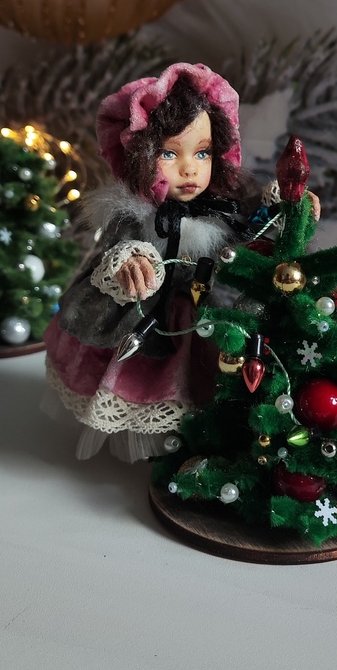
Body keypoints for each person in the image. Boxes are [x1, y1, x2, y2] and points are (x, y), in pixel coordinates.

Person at [44, 63, 319, 464]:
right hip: (148, 318)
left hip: (203, 317)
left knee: (205, 382)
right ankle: (155, 445)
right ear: (140, 156)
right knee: (150, 382)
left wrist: (283, 203)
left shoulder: (220, 206)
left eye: (202, 152)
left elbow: (252, 225)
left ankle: (196, 443)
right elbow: (118, 249)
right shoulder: (135, 214)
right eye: (169, 153)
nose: (190, 168)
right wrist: (131, 261)